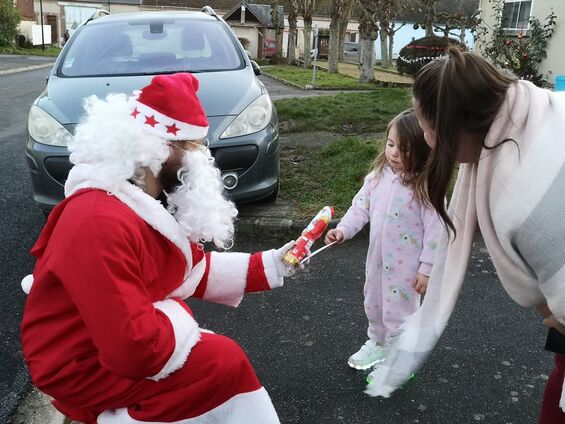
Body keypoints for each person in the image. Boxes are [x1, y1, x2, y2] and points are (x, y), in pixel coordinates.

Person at [20, 72, 302, 424]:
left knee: (218, 358)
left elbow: (182, 273)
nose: (203, 156)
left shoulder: (136, 201)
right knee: (221, 362)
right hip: (78, 363)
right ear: (163, 149)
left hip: (96, 345)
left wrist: (274, 264)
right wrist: (180, 320)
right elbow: (134, 350)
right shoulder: (98, 221)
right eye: (194, 146)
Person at [366, 48, 565, 423]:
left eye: (428, 128)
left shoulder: (518, 195)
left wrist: (554, 311)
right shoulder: (538, 108)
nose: (426, 139)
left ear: (456, 125)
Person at [324, 109, 443, 370]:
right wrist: (343, 230)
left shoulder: (426, 188)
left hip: (407, 270)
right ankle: (377, 343)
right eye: (390, 145)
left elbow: (437, 233)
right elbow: (360, 208)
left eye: (405, 149)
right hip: (376, 262)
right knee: (374, 302)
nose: (394, 154)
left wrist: (427, 270)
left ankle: (400, 358)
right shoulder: (377, 178)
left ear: (423, 151)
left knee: (400, 313)